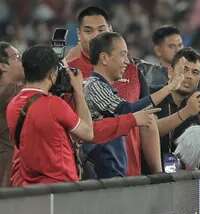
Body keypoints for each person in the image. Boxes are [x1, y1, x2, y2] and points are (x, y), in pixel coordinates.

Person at [66, 5, 162, 176]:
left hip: (131, 172)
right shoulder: (68, 74)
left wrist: (158, 172)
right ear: (79, 35)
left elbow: (148, 122)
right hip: (88, 177)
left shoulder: (132, 71)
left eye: (101, 29)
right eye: (88, 30)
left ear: (111, 30)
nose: (96, 35)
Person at [83, 31, 179, 178]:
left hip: (114, 172)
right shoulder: (93, 86)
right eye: (122, 54)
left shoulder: (105, 87)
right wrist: (168, 88)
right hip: (102, 177)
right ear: (104, 58)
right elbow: (126, 110)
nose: (127, 61)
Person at [6, 45, 93, 185]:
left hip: (24, 186)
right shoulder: (54, 105)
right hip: (59, 187)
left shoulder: (12, 105)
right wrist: (78, 92)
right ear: (52, 74)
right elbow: (88, 133)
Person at [154, 47, 200, 169]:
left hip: (184, 179)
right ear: (170, 72)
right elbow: (150, 131)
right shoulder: (152, 96)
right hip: (149, 177)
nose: (189, 76)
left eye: (195, 72)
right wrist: (187, 111)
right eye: (185, 70)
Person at [137, 25, 200, 94]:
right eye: (171, 46)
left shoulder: (193, 77)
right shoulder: (146, 73)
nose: (178, 50)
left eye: (180, 45)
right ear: (158, 50)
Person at [0, 42, 24, 186]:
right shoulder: (12, 93)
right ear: (3, 66)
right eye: (17, 57)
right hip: (9, 170)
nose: (22, 61)